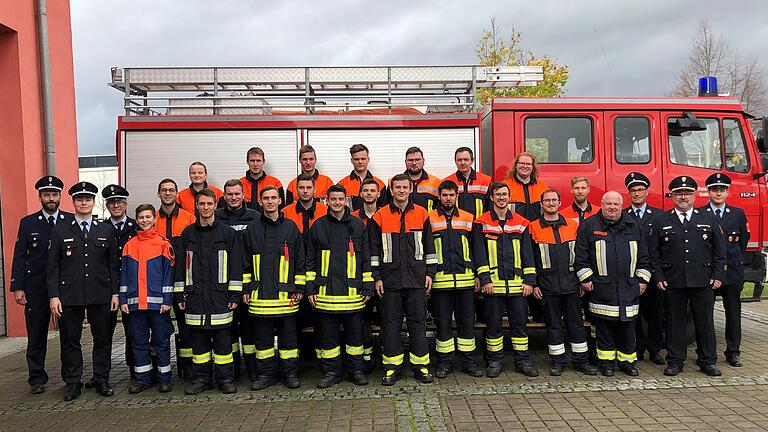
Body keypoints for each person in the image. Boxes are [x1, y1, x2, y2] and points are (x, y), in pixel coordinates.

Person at [47, 182, 120, 401]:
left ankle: (101, 379)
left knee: (102, 339)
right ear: (74, 202)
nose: (84, 203)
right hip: (69, 295)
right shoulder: (60, 230)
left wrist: (115, 293)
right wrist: (54, 296)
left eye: (88, 199)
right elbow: (52, 267)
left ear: (93, 202)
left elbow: (113, 265)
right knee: (70, 340)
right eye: (80, 199)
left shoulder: (105, 229)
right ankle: (73, 382)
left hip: (101, 294)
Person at [649, 176, 726, 377]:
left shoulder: (708, 218)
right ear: (672, 196)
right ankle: (675, 361)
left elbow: (720, 251)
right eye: (678, 193)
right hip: (673, 280)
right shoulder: (661, 220)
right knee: (675, 323)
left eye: (687, 193)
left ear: (694, 195)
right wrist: (658, 276)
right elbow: (653, 253)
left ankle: (708, 361)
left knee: (705, 323)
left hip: (703, 280)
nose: (683, 197)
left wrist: (717, 275)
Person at [369, 173, 438, 385]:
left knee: (418, 323)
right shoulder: (379, 216)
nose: (401, 190)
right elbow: (374, 252)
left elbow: (429, 247)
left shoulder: (422, 214)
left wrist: (430, 274)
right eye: (397, 187)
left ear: (410, 189)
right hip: (389, 282)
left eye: (404, 187)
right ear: (391, 190)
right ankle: (392, 367)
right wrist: (377, 277)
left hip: (416, 280)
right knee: (390, 324)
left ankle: (421, 366)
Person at [575, 191, 651, 377]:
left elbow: (644, 257)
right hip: (602, 288)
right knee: (604, 329)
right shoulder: (589, 225)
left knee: (628, 329)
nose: (612, 207)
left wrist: (642, 280)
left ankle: (627, 363)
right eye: (608, 204)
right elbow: (581, 257)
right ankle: (606, 363)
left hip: (629, 288)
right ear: (601, 204)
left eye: (616, 204)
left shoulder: (634, 225)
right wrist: (586, 279)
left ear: (621, 205)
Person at [174, 189, 242, 395]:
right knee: (199, 343)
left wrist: (234, 294)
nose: (205, 208)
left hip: (220, 297)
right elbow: (180, 267)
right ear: (196, 206)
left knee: (223, 344)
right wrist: (180, 293)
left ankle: (225, 379)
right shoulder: (187, 234)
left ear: (215, 206)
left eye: (209, 204)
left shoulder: (227, 233)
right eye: (201, 204)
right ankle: (201, 379)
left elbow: (236, 265)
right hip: (195, 297)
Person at [306, 185, 373, 388]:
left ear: (346, 201)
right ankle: (331, 372)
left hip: (353, 294)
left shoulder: (358, 225)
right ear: (327, 201)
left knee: (355, 336)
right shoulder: (318, 226)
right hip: (326, 294)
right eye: (333, 199)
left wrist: (368, 286)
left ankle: (356, 371)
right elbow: (310, 260)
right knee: (329, 337)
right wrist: (310, 288)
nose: (336, 203)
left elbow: (366, 259)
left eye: (340, 199)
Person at [10, 175, 72, 394]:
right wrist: (18, 287)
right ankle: (36, 378)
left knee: (68, 335)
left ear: (60, 196)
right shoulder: (28, 223)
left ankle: (70, 377)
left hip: (64, 289)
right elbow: (20, 256)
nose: (51, 198)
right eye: (47, 194)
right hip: (35, 288)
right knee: (36, 335)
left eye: (55, 194)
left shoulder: (70, 221)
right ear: (40, 197)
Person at [242, 186, 306, 390]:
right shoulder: (251, 230)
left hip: (286, 296)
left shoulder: (291, 228)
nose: (270, 201)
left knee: (289, 341)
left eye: (273, 198)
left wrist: (300, 288)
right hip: (260, 296)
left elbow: (300, 262)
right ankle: (265, 375)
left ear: (280, 201)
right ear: (259, 202)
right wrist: (245, 289)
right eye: (266, 198)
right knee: (263, 342)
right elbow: (245, 263)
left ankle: (290, 374)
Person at [473, 182, 539, 378]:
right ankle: (495, 361)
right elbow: (479, 253)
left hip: (518, 286)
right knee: (493, 326)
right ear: (491, 198)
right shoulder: (482, 222)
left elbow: (528, 254)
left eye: (504, 195)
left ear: (510, 198)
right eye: (498, 195)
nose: (501, 198)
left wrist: (529, 281)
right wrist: (485, 280)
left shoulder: (521, 223)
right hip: (493, 286)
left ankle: (522, 361)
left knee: (520, 325)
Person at [528, 189, 598, 376]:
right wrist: (534, 284)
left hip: (571, 285)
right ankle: (557, 362)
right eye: (547, 201)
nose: (551, 203)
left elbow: (583, 255)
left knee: (576, 325)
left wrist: (582, 280)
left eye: (554, 200)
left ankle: (580, 362)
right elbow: (530, 259)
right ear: (541, 204)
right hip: (547, 286)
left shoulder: (573, 225)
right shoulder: (533, 227)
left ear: (560, 203)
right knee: (553, 326)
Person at [428, 180, 483, 379]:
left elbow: (477, 249)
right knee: (443, 324)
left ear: (456, 196)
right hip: (440, 282)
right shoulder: (430, 219)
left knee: (466, 323)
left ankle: (469, 363)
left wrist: (479, 275)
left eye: (451, 195)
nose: (448, 198)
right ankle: (444, 363)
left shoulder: (469, 218)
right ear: (439, 197)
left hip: (466, 282)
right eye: (444, 195)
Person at [120, 204, 175, 394]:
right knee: (139, 342)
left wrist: (167, 300)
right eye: (141, 217)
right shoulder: (129, 245)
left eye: (148, 217)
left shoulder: (163, 244)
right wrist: (123, 300)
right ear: (137, 220)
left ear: (154, 219)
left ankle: (164, 379)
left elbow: (169, 276)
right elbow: (124, 276)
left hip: (158, 305)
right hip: (135, 305)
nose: (145, 220)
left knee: (161, 342)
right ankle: (143, 379)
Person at [698, 173, 748, 367]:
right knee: (705, 314)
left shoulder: (738, 213)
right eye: (714, 190)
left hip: (732, 271)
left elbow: (742, 241)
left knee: (733, 313)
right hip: (708, 271)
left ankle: (733, 351)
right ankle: (705, 350)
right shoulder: (700, 213)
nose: (718, 193)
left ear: (727, 191)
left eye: (722, 190)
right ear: (708, 192)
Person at [216, 179, 261, 381]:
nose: (233, 197)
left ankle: (253, 370)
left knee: (250, 329)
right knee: (228, 329)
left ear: (244, 195)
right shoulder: (216, 217)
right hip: (224, 283)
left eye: (237, 194)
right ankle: (232, 371)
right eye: (230, 194)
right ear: (224, 197)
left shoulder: (254, 217)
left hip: (249, 281)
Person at [154, 178, 196, 378]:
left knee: (186, 327)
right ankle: (158, 371)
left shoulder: (189, 219)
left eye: (171, 190)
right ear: (158, 194)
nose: (168, 194)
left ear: (176, 194)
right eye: (164, 190)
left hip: (182, 282)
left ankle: (188, 369)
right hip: (157, 283)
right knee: (157, 328)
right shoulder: (151, 220)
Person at [624, 172, 665, 365]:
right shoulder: (623, 215)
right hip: (631, 274)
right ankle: (638, 348)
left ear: (646, 191)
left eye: (640, 190)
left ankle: (655, 350)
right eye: (633, 190)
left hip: (653, 272)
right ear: (629, 193)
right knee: (635, 314)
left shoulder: (659, 216)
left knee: (655, 314)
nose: (637, 194)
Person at [102, 184, 139, 384]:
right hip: (107, 289)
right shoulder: (101, 228)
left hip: (131, 287)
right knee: (103, 333)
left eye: (119, 202)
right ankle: (103, 375)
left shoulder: (136, 227)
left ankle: (136, 370)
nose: (116, 205)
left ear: (125, 204)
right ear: (107, 205)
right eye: (111, 202)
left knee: (133, 331)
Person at [350, 177, 382, 370]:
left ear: (379, 194)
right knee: (364, 321)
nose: (369, 193)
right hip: (361, 275)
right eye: (366, 191)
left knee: (387, 318)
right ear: (360, 194)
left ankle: (387, 357)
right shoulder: (352, 217)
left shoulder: (386, 214)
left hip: (383, 276)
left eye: (373, 190)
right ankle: (366, 359)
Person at [443, 147, 492, 220]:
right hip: (456, 228)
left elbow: (491, 208)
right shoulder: (447, 182)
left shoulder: (485, 181)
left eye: (466, 159)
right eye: (459, 160)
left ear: (472, 161)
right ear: (455, 162)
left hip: (478, 227)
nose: (463, 163)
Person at [337, 144, 386, 210]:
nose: (360, 162)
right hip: (349, 220)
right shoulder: (342, 184)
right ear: (351, 160)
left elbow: (384, 210)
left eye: (363, 159)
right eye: (356, 159)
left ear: (368, 159)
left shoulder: (380, 184)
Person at [503, 152, 549, 221]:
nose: (524, 166)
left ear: (533, 167)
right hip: (514, 230)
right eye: (521, 163)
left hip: (536, 229)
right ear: (516, 165)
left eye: (528, 164)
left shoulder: (543, 187)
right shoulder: (505, 186)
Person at [283, 173, 328, 241]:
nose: (305, 191)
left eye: (309, 187)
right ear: (296, 189)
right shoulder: (285, 213)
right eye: (301, 188)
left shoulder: (326, 211)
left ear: (314, 189)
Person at [240, 147, 284, 212]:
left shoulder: (275, 183)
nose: (255, 164)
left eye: (258, 161)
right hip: (245, 221)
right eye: (252, 161)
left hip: (267, 221)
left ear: (263, 162)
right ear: (247, 162)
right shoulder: (240, 184)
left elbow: (281, 208)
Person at [399, 146, 441, 212]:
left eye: (417, 160)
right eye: (410, 160)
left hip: (427, 221)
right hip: (402, 221)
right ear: (405, 162)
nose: (414, 163)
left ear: (423, 161)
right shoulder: (396, 182)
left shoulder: (436, 182)